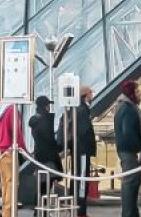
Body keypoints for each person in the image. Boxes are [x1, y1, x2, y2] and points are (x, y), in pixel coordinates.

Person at [115, 80, 141, 217]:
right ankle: (128, 213)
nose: (139, 93)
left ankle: (132, 213)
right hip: (130, 152)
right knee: (131, 183)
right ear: (131, 93)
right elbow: (128, 131)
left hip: (126, 151)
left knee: (133, 182)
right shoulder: (128, 108)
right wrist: (138, 149)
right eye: (137, 91)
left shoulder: (123, 107)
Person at [59, 86, 97, 217]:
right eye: (91, 93)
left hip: (78, 150)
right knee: (82, 180)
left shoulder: (76, 109)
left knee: (77, 178)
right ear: (86, 95)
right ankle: (80, 210)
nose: (92, 95)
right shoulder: (82, 110)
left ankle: (75, 208)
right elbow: (83, 132)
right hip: (82, 151)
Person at [0, 93, 25, 217]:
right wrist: (24, 149)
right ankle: (9, 214)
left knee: (5, 184)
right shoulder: (12, 109)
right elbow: (17, 132)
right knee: (12, 184)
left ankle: (6, 212)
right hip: (9, 151)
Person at [30, 95, 62, 191]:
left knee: (43, 182)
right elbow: (49, 139)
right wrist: (59, 147)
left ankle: (41, 199)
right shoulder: (45, 120)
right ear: (45, 106)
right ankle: (42, 199)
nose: (49, 107)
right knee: (48, 182)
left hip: (39, 155)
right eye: (48, 105)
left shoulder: (34, 119)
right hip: (49, 156)